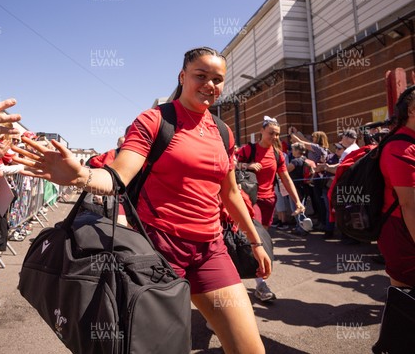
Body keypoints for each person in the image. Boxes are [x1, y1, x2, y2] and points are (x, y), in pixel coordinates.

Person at [14, 47, 270, 353]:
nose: (209, 85)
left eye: (217, 79)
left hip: (210, 251)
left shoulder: (223, 132)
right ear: (182, 76)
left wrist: (254, 241)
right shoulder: (154, 120)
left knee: (249, 349)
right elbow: (117, 177)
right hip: (157, 252)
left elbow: (229, 193)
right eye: (200, 76)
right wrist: (79, 175)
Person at [236, 117, 305, 302]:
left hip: (269, 202)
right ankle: (260, 283)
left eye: (276, 134)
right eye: (271, 133)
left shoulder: (277, 154)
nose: (274, 137)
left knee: (262, 241)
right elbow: (229, 165)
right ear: (262, 131)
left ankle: (251, 277)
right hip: (251, 200)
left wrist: (297, 201)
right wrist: (246, 165)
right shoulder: (248, 150)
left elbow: (286, 179)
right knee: (256, 240)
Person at [378, 85, 415, 288]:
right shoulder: (399, 148)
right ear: (411, 111)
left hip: (405, 227)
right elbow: (409, 205)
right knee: (403, 298)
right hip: (401, 231)